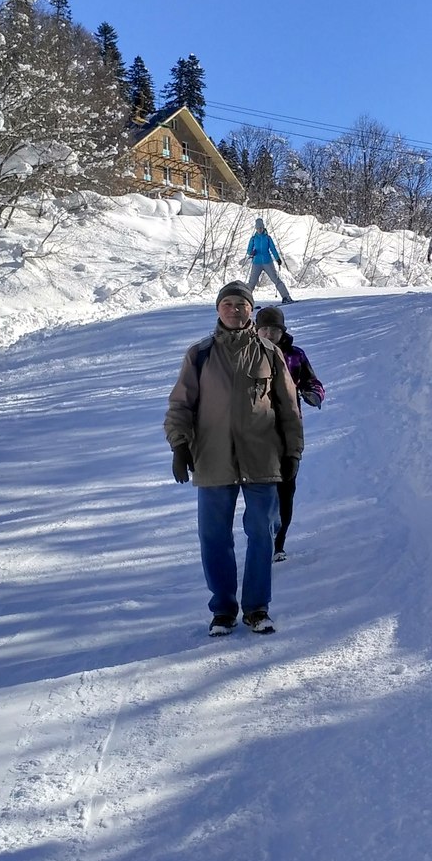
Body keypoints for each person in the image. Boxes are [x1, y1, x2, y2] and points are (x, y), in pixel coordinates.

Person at [164, 281, 304, 635]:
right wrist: (179, 446)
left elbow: (289, 408)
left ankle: (257, 608)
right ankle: (223, 610)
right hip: (213, 458)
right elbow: (180, 404)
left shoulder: (269, 353)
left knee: (262, 533)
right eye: (227, 303)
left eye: (241, 304)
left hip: (262, 458)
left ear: (250, 310)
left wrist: (292, 452)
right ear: (218, 309)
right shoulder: (200, 354)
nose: (234, 310)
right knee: (214, 537)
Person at [254, 305, 324, 562]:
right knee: (262, 490)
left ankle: (278, 544)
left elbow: (312, 381)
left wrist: (313, 394)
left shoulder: (295, 355)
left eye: (275, 329)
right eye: (264, 329)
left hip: (288, 433)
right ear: (256, 330)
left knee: (286, 488)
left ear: (282, 332)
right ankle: (262, 538)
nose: (269, 334)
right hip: (257, 433)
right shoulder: (248, 355)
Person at [245, 217, 294, 302]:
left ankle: (286, 297)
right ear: (256, 228)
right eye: (258, 228)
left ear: (263, 227)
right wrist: (252, 252)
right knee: (252, 282)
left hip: (267, 262)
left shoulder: (267, 238)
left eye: (261, 228)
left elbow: (273, 249)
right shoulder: (253, 238)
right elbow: (248, 251)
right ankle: (245, 299)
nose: (259, 230)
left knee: (276, 279)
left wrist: (277, 259)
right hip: (256, 262)